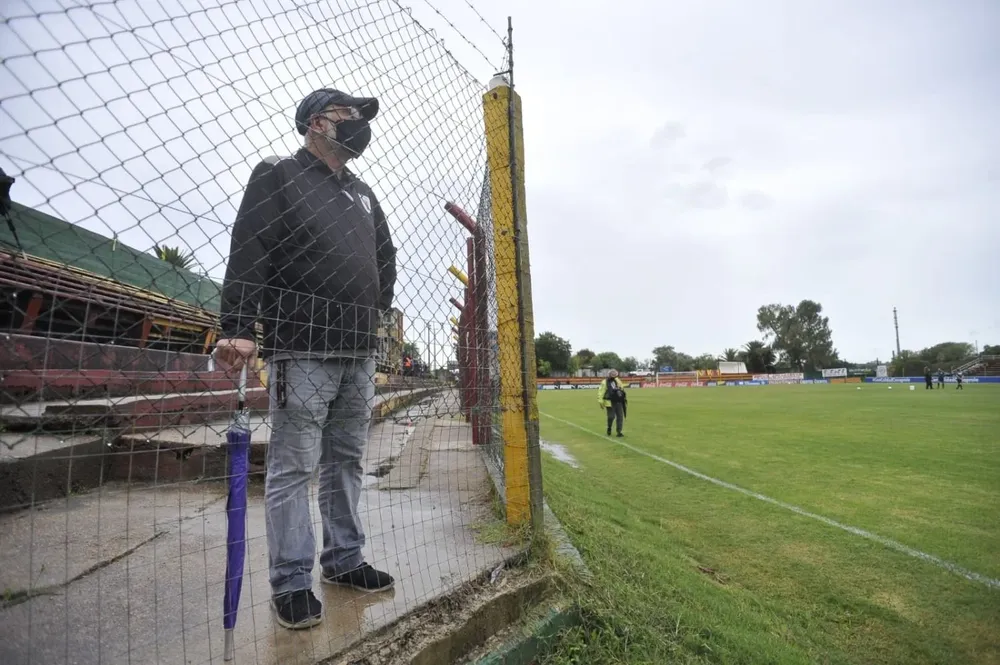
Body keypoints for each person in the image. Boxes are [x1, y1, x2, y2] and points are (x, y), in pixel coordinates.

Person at [216, 88, 398, 630]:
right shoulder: (278, 174)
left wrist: (374, 311)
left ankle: (344, 560)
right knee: (294, 469)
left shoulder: (363, 194)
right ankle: (291, 582)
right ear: (318, 122)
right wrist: (239, 328)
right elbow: (251, 247)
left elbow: (384, 259)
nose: (361, 124)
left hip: (357, 350)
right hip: (301, 347)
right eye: (351, 116)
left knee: (346, 461)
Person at [598, 370, 627, 437]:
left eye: (615, 375)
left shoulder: (617, 380)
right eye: (612, 375)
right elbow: (601, 392)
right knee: (611, 417)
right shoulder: (604, 382)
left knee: (620, 417)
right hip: (609, 402)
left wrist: (621, 392)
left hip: (618, 401)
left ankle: (619, 432)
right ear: (609, 375)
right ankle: (609, 427)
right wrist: (601, 402)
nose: (614, 376)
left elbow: (621, 388)